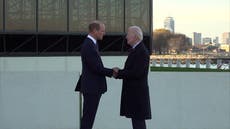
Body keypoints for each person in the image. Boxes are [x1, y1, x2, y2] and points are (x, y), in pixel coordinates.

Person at [113, 26, 152, 129]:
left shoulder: (141, 52)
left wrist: (119, 73)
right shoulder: (136, 50)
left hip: (137, 95)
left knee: (138, 122)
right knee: (137, 122)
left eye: (128, 34)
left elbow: (137, 73)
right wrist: (119, 73)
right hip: (135, 94)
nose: (126, 37)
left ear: (135, 36)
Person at [79, 20, 115, 129]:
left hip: (92, 87)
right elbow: (96, 68)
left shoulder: (93, 44)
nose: (104, 33)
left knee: (89, 118)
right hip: (91, 88)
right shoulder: (89, 45)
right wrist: (113, 72)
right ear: (94, 30)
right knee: (88, 118)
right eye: (102, 31)